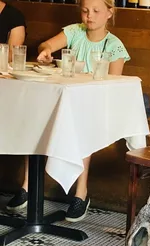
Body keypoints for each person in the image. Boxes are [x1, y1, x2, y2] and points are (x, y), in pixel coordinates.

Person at [6, 0, 130, 223]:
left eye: (95, 11)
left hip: (95, 105)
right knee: (37, 119)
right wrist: (45, 52)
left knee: (82, 127)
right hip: (66, 100)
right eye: (84, 11)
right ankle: (28, 186)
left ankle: (80, 193)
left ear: (109, 13)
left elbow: (114, 86)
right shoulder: (74, 32)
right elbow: (47, 45)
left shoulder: (114, 46)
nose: (89, 16)